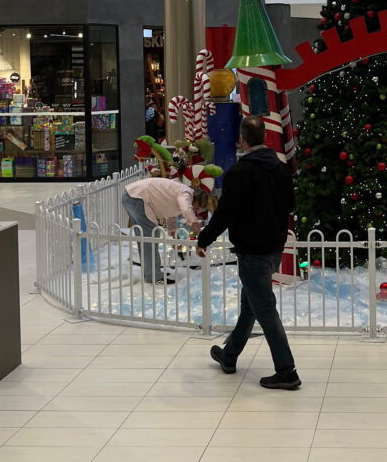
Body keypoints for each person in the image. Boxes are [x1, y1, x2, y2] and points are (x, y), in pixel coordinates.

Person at [197, 117, 300, 391]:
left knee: (264, 308)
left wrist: (204, 238)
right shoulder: (280, 169)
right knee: (251, 306)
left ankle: (287, 371)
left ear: (242, 140)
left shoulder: (239, 173)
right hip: (273, 247)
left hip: (251, 251)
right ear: (264, 137)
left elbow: (225, 213)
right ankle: (229, 357)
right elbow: (289, 204)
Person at [122, 177, 207, 285]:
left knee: (144, 239)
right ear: (195, 199)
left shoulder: (178, 192)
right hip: (138, 197)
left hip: (132, 196)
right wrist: (200, 233)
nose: (196, 209)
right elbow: (187, 210)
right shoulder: (186, 193)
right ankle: (154, 276)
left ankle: (150, 274)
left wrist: (175, 237)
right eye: (197, 207)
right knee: (151, 236)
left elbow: (171, 217)